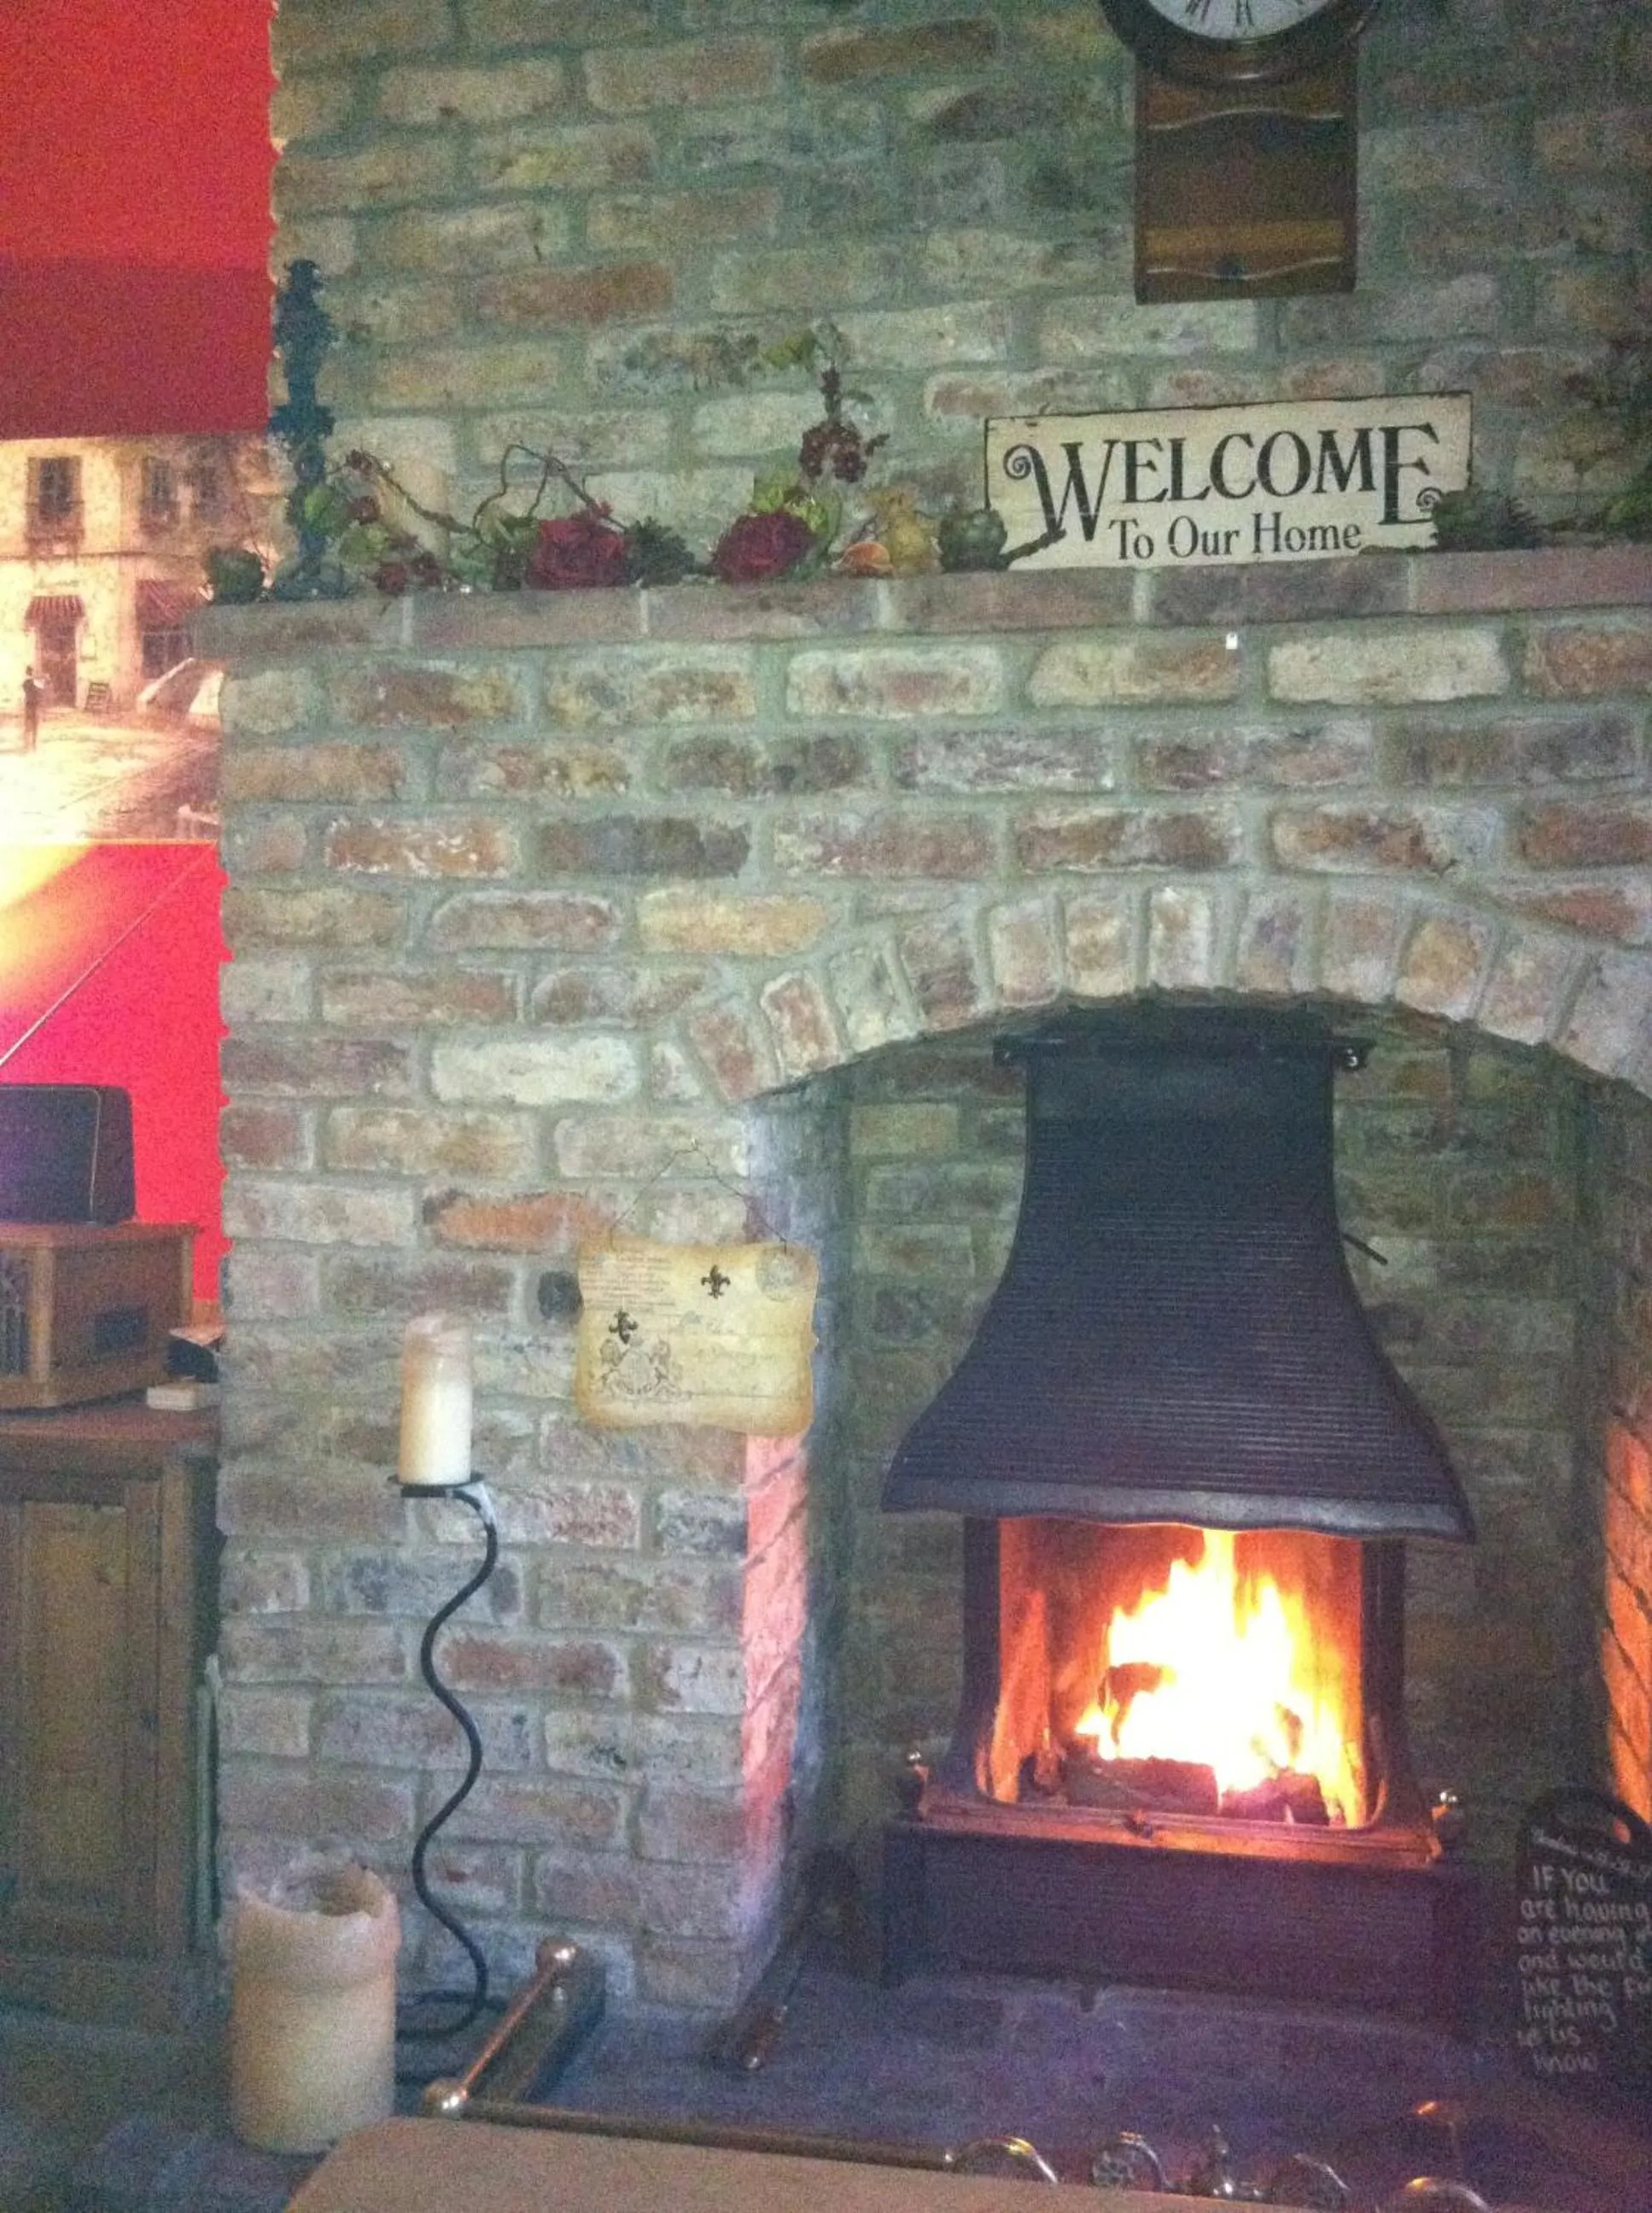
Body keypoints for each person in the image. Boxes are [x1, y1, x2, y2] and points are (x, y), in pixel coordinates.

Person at [21, 668, 43, 750]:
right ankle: (34, 745)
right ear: (32, 673)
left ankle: (26, 745)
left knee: (27, 726)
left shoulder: (25, 683)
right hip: (36, 706)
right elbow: (41, 693)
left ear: (26, 673)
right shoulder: (37, 683)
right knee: (35, 726)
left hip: (28, 705)